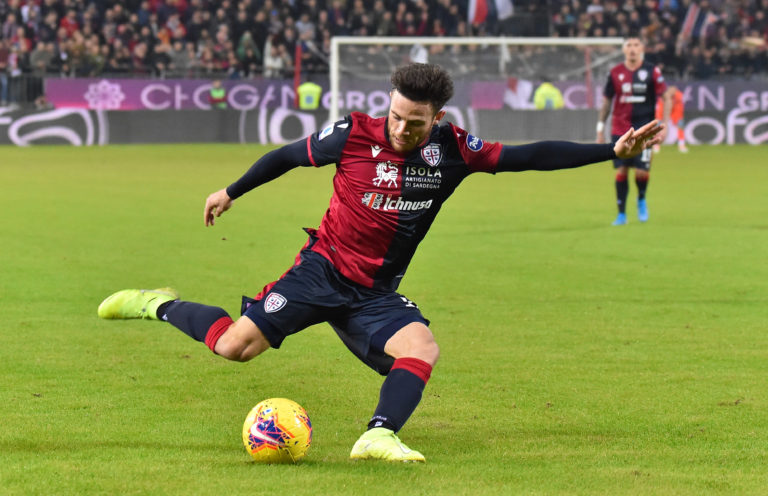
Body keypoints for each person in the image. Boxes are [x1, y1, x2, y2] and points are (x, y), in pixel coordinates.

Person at [97, 63, 664, 463]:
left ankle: (378, 435)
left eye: (414, 122)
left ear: (437, 118)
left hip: (374, 293)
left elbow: (527, 157)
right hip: (321, 271)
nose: (401, 128)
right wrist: (231, 190)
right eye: (395, 116)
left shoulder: (453, 150)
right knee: (233, 347)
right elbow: (287, 156)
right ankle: (158, 304)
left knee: (422, 349)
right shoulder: (351, 134)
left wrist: (610, 151)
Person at [597, 36, 670, 226]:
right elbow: (606, 102)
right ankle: (621, 214)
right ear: (623, 50)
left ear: (642, 49)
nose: (632, 49)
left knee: (641, 172)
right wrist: (600, 128)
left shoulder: (652, 71)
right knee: (622, 169)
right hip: (620, 129)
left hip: (644, 130)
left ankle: (641, 199)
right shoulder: (615, 72)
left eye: (636, 45)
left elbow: (667, 97)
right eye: (629, 45)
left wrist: (665, 125)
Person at [654, 84, 688, 153]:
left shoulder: (679, 95)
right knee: (658, 127)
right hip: (662, 112)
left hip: (676, 112)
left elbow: (679, 108)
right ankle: (656, 144)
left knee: (680, 126)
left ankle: (681, 145)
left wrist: (677, 117)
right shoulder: (663, 96)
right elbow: (660, 108)